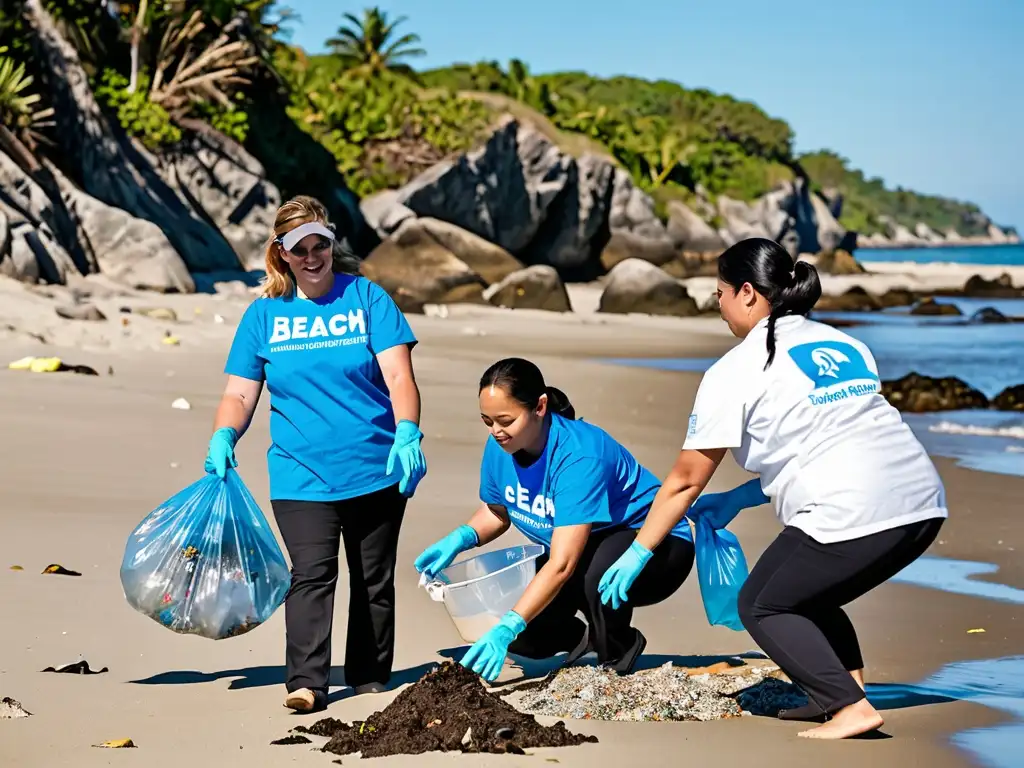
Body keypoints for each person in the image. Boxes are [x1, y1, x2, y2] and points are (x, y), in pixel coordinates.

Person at [598, 237, 948, 740]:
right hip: (922, 504)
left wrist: (638, 551)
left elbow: (684, 480)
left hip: (853, 511)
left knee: (761, 603)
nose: (716, 305)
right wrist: (737, 499)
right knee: (803, 592)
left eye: (718, 293)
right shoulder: (843, 344)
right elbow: (822, 442)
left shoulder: (735, 369)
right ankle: (839, 689)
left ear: (746, 292)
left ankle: (850, 708)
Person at [204, 195, 427, 713]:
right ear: (280, 254)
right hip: (298, 473)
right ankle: (306, 681)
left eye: (319, 245)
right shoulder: (263, 316)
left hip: (377, 466)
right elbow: (239, 394)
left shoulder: (367, 298)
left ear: (331, 244)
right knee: (310, 574)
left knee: (373, 578)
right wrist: (223, 437)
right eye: (298, 248)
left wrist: (408, 431)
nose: (311, 257)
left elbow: (398, 376)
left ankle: (371, 676)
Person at [413, 357, 699, 682]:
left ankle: (618, 647)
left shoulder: (579, 456)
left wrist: (511, 623)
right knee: (521, 620)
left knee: (592, 573)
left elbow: (563, 564)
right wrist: (460, 539)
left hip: (656, 546)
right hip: (585, 541)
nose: (495, 431)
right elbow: (497, 512)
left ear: (540, 407)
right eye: (487, 421)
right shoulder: (502, 447)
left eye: (505, 420)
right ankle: (580, 638)